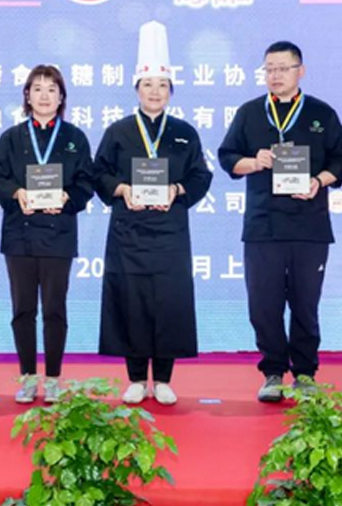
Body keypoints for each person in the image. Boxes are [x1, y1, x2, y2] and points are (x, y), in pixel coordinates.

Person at [217, 41, 342, 403]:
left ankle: (305, 374)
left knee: (306, 304)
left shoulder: (321, 113)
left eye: (283, 68)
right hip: (263, 226)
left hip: (310, 227)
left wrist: (318, 181)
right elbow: (227, 158)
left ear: (300, 71)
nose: (275, 75)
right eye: (269, 69)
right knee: (264, 304)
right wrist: (254, 161)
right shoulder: (249, 113)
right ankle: (273, 372)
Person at [93, 21, 212, 406]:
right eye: (148, 84)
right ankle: (134, 378)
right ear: (137, 89)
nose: (155, 91)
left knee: (169, 302)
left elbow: (200, 175)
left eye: (162, 85)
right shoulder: (118, 131)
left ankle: (162, 378)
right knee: (131, 301)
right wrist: (122, 189)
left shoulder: (185, 132)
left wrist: (177, 190)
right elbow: (99, 173)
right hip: (128, 231)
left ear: (171, 90)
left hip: (170, 232)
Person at [0, 65, 95, 404]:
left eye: (51, 89)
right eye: (37, 88)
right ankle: (28, 378)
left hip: (58, 235)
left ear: (61, 97)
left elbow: (86, 183)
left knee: (54, 309)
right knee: (22, 310)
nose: (44, 95)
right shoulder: (12, 137)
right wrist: (16, 193)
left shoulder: (75, 137)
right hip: (19, 234)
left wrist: (66, 197)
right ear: (27, 96)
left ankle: (54, 378)